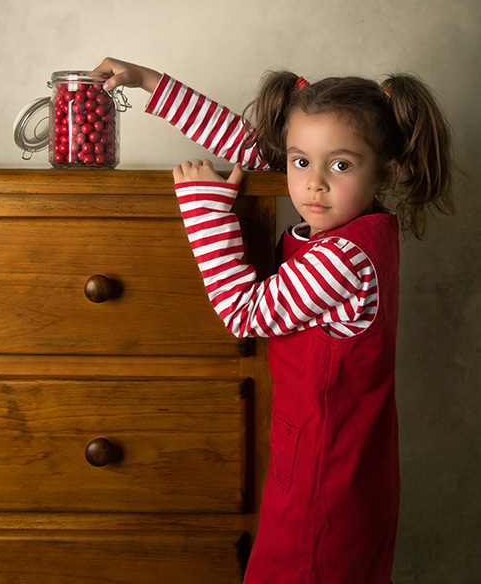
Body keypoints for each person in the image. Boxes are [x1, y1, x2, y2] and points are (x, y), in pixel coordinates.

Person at [93, 57, 455, 584]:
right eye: (300, 162)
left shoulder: (344, 259)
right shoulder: (364, 225)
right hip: (341, 463)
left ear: (387, 168)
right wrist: (148, 82)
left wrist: (203, 211)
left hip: (325, 482)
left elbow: (245, 313)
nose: (314, 185)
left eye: (342, 165)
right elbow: (256, 151)